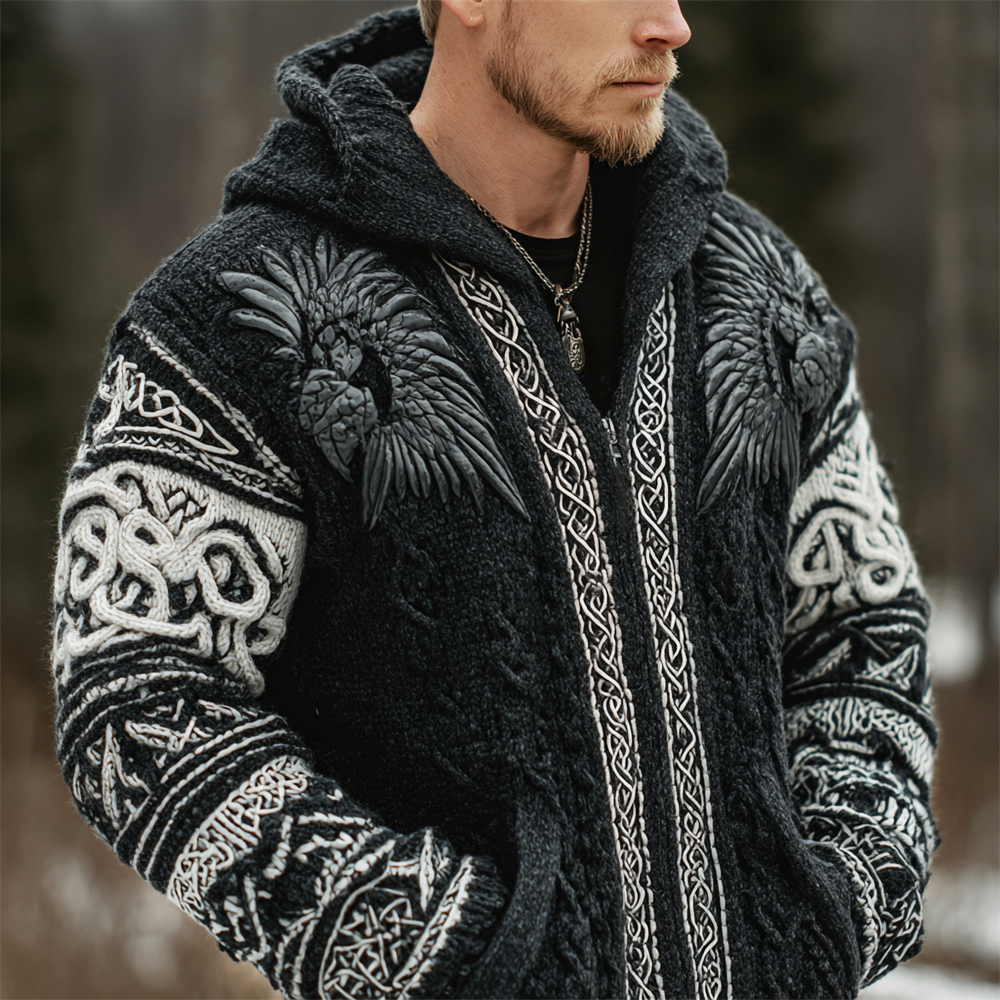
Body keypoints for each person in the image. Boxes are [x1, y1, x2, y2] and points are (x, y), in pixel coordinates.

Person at [50, 2, 938, 997]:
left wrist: (847, 894)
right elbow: (132, 694)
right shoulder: (228, 316)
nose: (671, 25)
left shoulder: (759, 288)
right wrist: (434, 953)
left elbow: (862, 614)